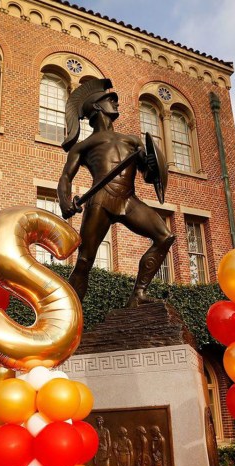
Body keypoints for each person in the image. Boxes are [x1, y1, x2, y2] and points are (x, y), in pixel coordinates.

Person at [58, 79, 174, 308]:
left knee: (165, 236)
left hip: (128, 200)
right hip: (100, 201)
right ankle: (67, 313)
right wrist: (64, 201)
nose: (116, 103)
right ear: (98, 107)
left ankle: (137, 295)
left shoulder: (132, 141)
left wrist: (150, 163)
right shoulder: (83, 146)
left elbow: (150, 176)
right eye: (111, 100)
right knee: (84, 261)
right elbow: (65, 177)